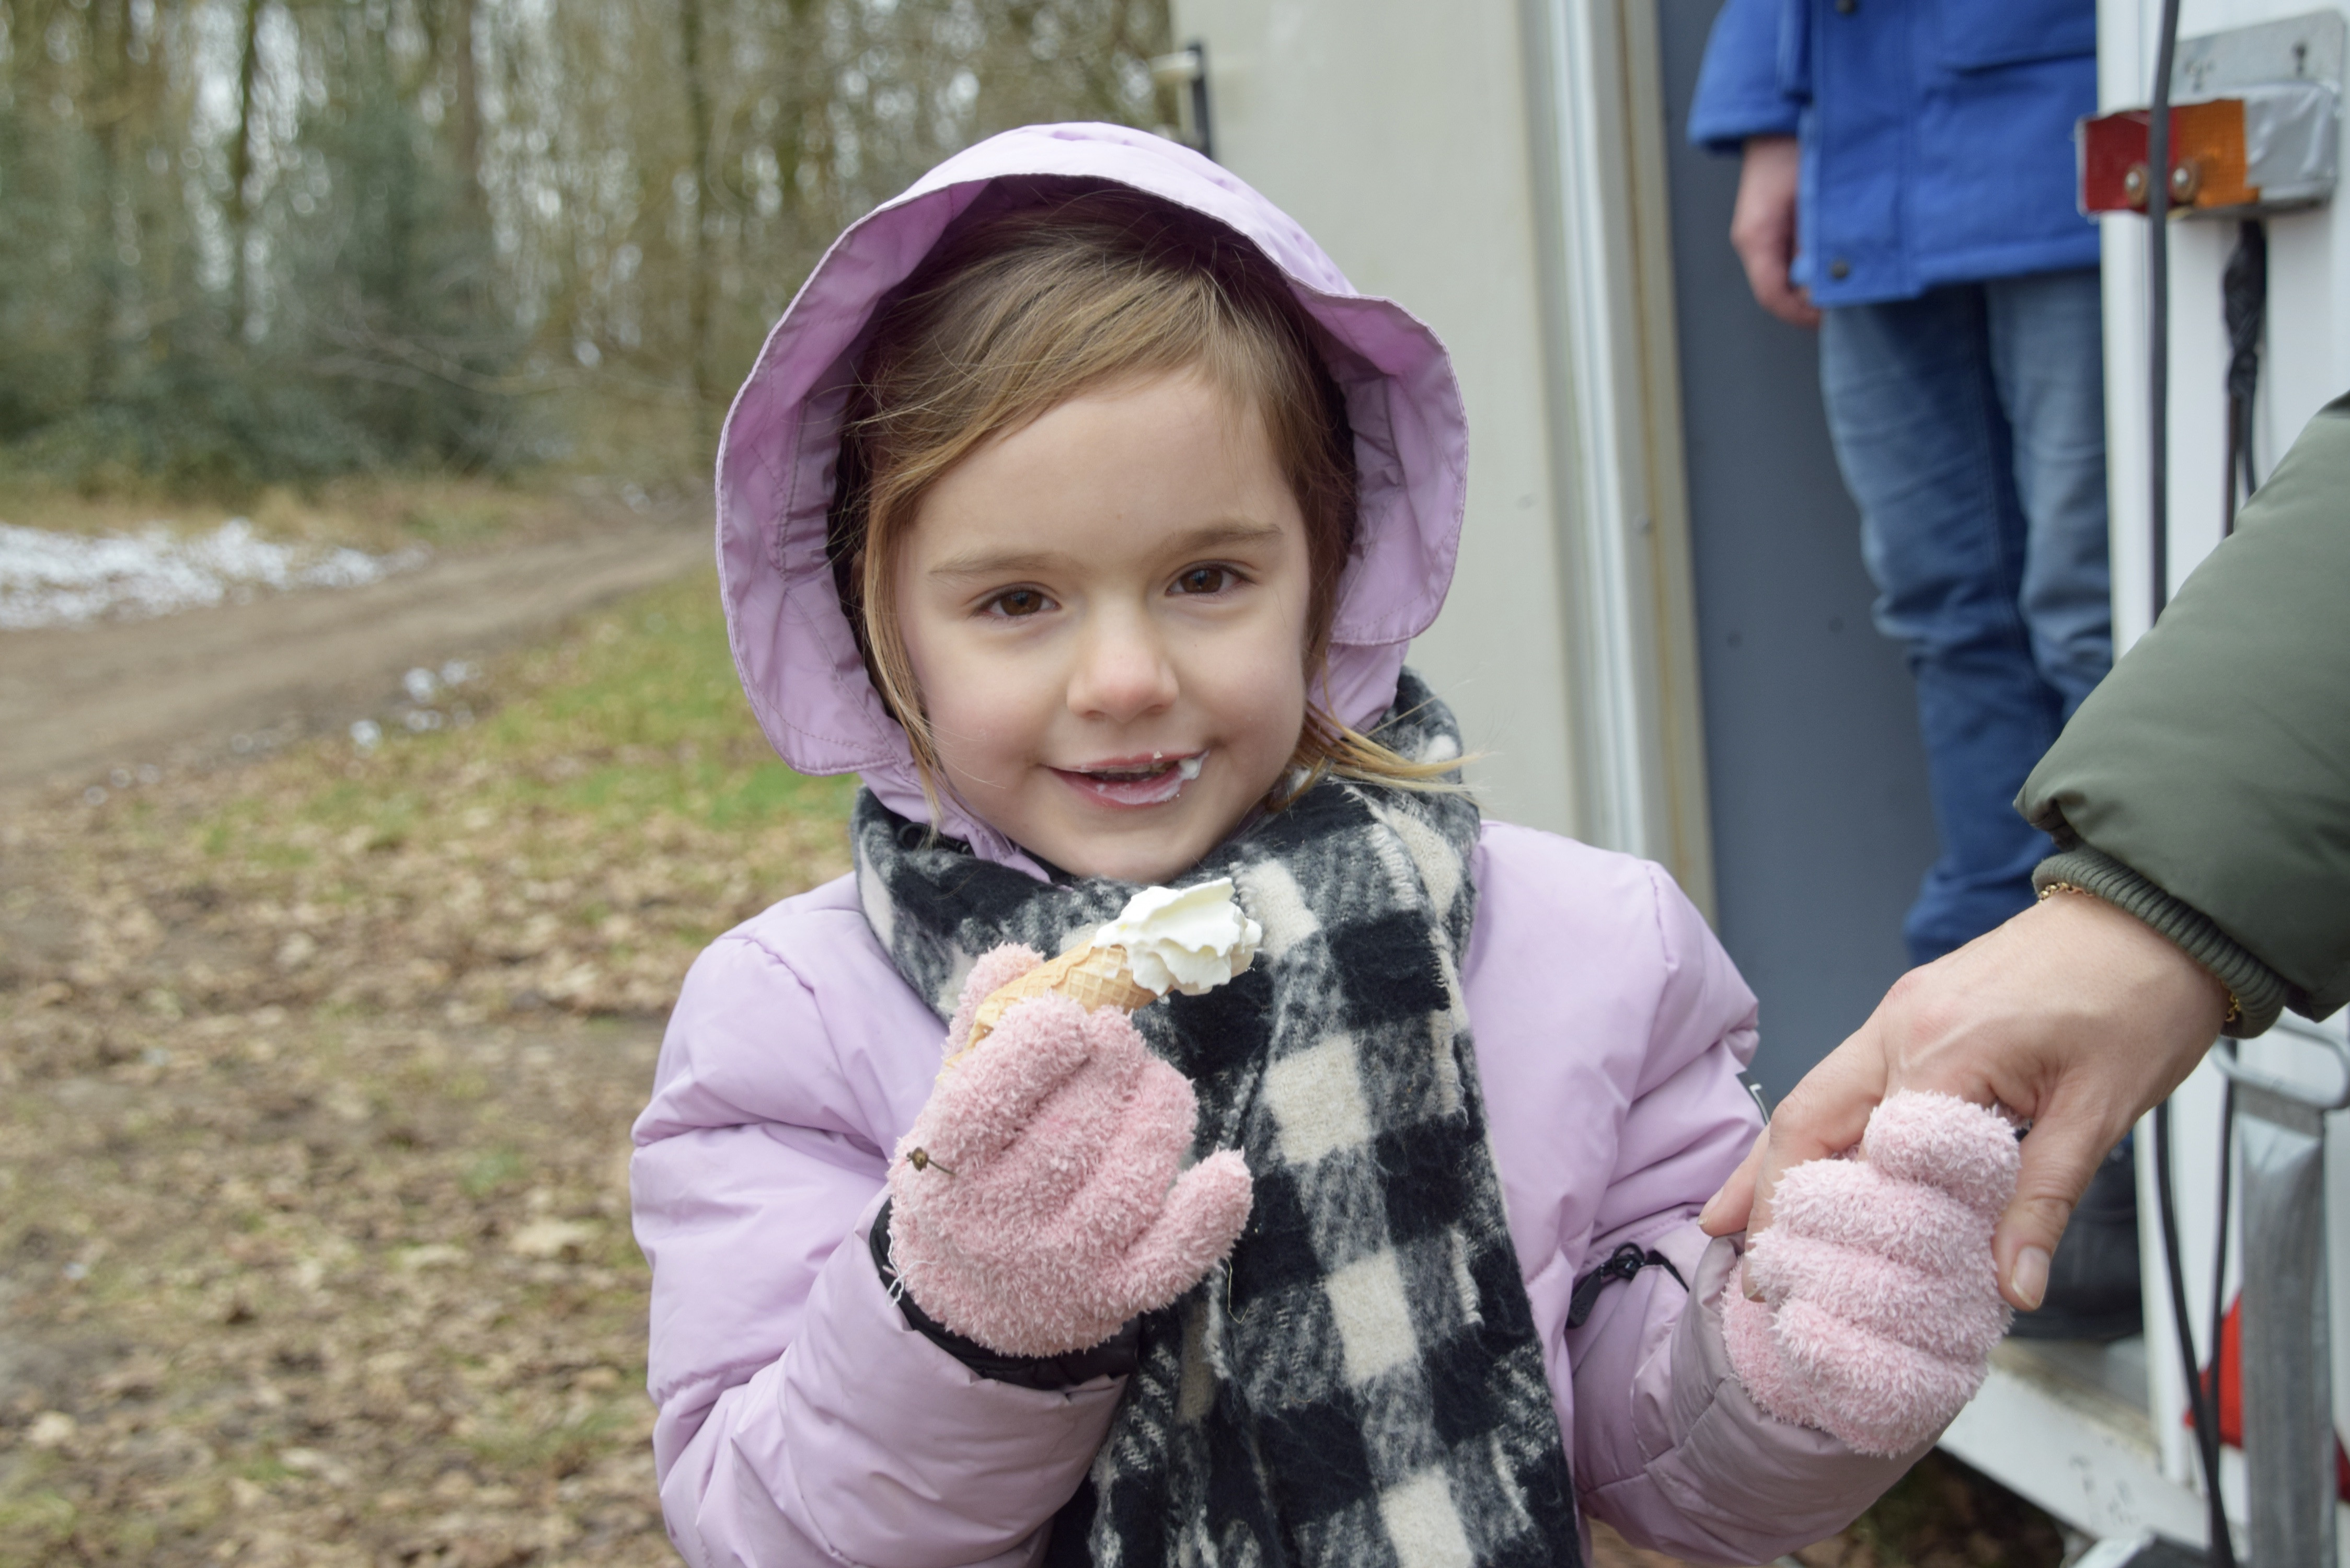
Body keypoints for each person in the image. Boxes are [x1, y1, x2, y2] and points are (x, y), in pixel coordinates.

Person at [628, 124, 2007, 1566]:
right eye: (1018, 602)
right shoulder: (792, 1022)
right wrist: (957, 1323)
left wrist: (1786, 1362)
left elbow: (1658, 1451)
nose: (1124, 679)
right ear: (881, 626)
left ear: (1328, 569)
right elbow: (763, 1525)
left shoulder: (1593, 952)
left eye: (1206, 577)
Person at [1701, 391, 2350, 1315]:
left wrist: (2141, 909)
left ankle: (2071, 1142)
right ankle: (1996, 1091)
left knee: (2075, 610)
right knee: (1953, 622)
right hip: (1879, 291)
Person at [1689, 0, 2110, 965]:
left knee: (2095, 611)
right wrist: (1773, 117)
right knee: (1944, 606)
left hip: (2071, 123)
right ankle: (1991, 953)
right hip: (1867, 148)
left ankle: (2131, 934)